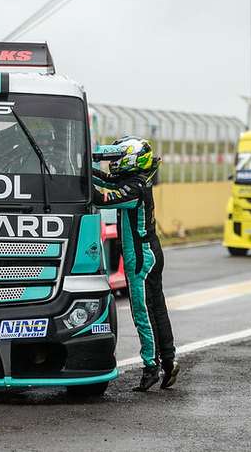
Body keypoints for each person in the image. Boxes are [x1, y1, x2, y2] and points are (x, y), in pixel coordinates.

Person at [92, 136, 179, 391]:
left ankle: (151, 366)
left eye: (118, 158)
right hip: (148, 254)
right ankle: (169, 362)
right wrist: (86, 166)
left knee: (144, 312)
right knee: (157, 310)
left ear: (130, 158)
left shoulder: (135, 187)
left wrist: (77, 180)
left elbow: (102, 198)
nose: (115, 163)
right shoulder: (137, 180)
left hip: (141, 258)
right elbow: (106, 180)